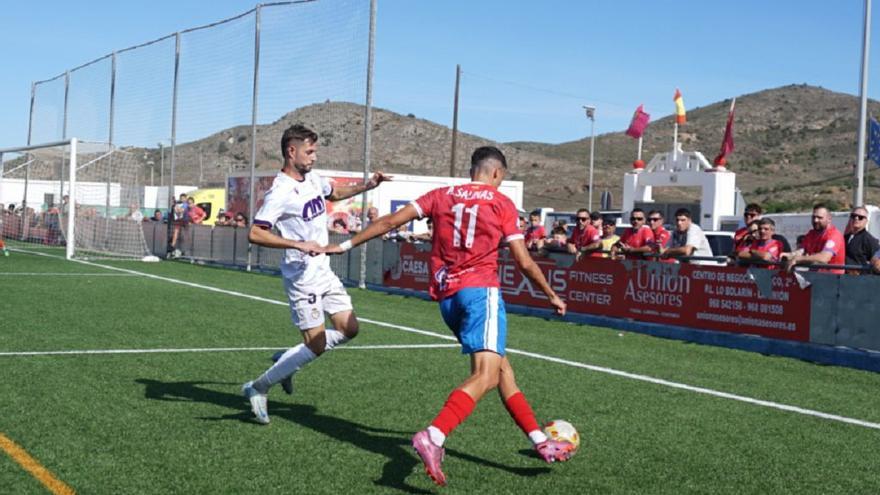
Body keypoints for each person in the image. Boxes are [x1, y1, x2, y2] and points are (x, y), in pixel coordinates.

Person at [321, 146, 574, 486]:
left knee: (500, 370)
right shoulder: (501, 203)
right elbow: (524, 262)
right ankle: (435, 435)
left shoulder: (440, 195)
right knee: (485, 376)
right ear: (497, 173)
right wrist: (552, 295)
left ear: (474, 169)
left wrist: (345, 246)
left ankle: (540, 441)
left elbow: (389, 222)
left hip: (448, 299)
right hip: (481, 292)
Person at [240, 124, 391, 424]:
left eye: (315, 150)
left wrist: (368, 186)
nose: (314, 156)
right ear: (291, 151)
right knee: (317, 345)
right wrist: (297, 243)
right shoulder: (280, 191)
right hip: (301, 276)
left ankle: (290, 360)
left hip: (323, 270)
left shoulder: (313, 178)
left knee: (350, 329)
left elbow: (334, 192)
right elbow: (256, 232)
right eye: (309, 151)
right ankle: (258, 387)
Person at [783, 204, 845, 274]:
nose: (815, 220)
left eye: (819, 218)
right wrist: (789, 255)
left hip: (832, 279)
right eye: (813, 217)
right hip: (815, 277)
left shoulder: (834, 235)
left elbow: (824, 258)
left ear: (829, 219)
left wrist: (798, 259)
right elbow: (801, 250)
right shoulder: (811, 234)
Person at [844, 206, 879, 274]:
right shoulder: (845, 238)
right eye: (853, 216)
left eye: (860, 217)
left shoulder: (869, 240)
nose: (856, 218)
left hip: (860, 281)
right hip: (842, 280)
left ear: (866, 221)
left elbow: (877, 262)